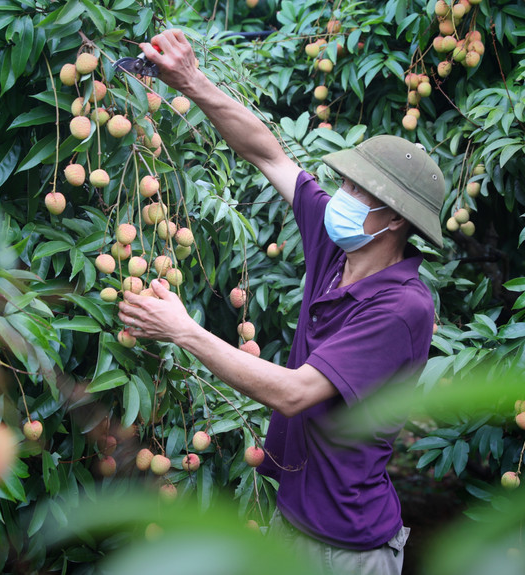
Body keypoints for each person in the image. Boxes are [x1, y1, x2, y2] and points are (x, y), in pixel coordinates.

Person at [116, 29, 446, 575]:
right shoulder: (338, 244)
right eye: (347, 182)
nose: (343, 195)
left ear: (395, 221)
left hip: (349, 547)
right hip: (291, 521)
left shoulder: (401, 308)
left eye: (360, 191)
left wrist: (182, 329)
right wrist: (191, 81)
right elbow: (267, 152)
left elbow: (295, 395)